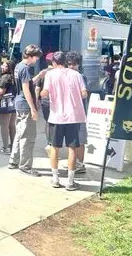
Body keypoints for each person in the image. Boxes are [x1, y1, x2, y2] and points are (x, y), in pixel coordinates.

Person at [41, 51, 88, 191]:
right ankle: (70, 181)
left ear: (54, 63)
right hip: (73, 116)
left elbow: (45, 93)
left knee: (54, 147)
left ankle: (55, 179)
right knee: (72, 148)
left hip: (56, 116)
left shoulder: (50, 75)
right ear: (66, 61)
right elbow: (84, 93)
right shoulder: (77, 75)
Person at [9, 44, 43, 176]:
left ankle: (14, 161)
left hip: (18, 103)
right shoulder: (26, 69)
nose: (36, 60)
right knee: (28, 137)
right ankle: (25, 166)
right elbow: (26, 90)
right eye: (35, 57)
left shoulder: (19, 66)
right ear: (30, 56)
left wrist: (39, 75)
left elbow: (28, 83)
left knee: (19, 134)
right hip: (25, 104)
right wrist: (33, 108)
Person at [67, 51, 88, 174]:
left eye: (73, 64)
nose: (71, 66)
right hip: (70, 114)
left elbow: (84, 95)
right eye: (69, 64)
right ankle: (74, 162)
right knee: (73, 140)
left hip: (80, 113)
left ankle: (80, 164)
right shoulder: (67, 75)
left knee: (80, 140)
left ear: (78, 64)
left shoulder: (81, 76)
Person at [0, 60, 17, 154]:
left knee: (4, 126)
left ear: (9, 68)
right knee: (12, 126)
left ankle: (5, 148)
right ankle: (13, 146)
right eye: (2, 65)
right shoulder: (14, 77)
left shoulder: (4, 78)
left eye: (5, 66)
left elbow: (1, 92)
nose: (2, 67)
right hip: (13, 104)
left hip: (4, 104)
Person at [35, 52, 54, 157]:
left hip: (45, 100)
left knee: (48, 121)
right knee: (56, 122)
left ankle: (49, 143)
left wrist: (37, 100)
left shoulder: (43, 73)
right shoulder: (58, 72)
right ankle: (55, 143)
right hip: (56, 101)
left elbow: (37, 88)